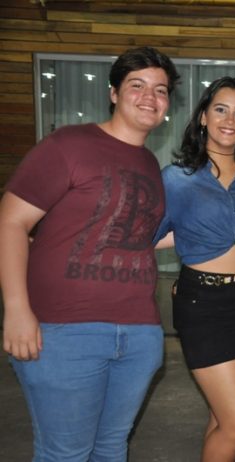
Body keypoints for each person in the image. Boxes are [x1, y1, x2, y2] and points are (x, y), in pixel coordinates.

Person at [0, 46, 179, 461]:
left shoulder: (150, 165)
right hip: (65, 332)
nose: (150, 97)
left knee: (111, 449)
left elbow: (135, 237)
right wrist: (17, 309)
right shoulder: (68, 144)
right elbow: (10, 222)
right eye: (137, 85)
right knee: (65, 454)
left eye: (160, 89)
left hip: (138, 334)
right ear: (114, 93)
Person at [154, 76, 235, 461]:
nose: (230, 120)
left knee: (223, 418)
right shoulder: (176, 179)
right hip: (204, 305)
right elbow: (144, 236)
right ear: (203, 117)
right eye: (221, 110)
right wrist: (191, 239)